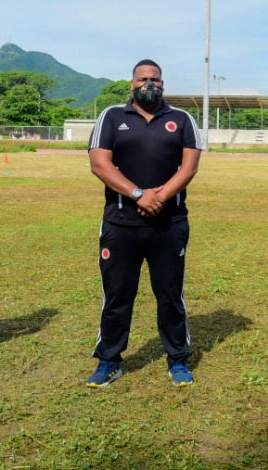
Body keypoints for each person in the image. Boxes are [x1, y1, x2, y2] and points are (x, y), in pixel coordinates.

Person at [84, 59, 202, 388]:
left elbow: (188, 168)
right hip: (121, 223)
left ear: (163, 83)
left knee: (169, 295)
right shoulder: (112, 116)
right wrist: (139, 194)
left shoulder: (181, 119)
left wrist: (159, 197)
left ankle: (177, 359)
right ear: (131, 83)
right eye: (142, 79)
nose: (148, 83)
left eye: (155, 79)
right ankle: (109, 360)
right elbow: (99, 163)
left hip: (169, 224)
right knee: (118, 295)